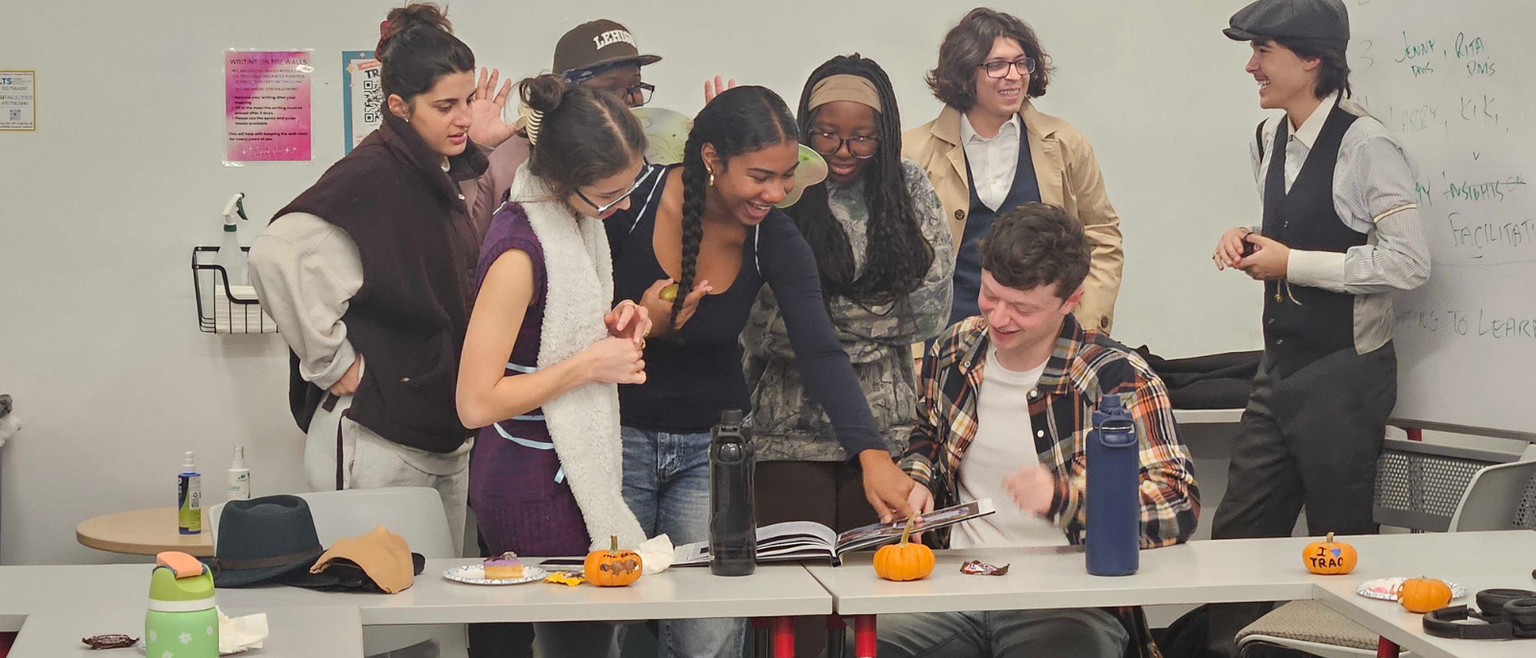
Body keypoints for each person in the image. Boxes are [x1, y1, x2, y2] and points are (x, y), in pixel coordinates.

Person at [606, 86, 916, 658]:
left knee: (710, 633)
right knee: (609, 625)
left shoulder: (772, 237)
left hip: (711, 451)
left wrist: (871, 455)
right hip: (613, 440)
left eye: (786, 176)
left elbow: (821, 351)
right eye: (760, 176)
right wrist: (645, 322)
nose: (776, 193)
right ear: (709, 159)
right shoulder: (631, 202)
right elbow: (562, 324)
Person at [877, 202, 1199, 658]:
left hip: (1067, 600)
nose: (998, 318)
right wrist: (918, 478)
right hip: (954, 587)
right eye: (990, 295)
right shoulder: (953, 350)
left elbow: (1178, 503)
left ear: (1072, 300)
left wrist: (1062, 498)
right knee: (864, 642)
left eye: (1023, 307)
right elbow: (927, 435)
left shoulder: (1116, 377)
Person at [1206, 0, 1431, 654]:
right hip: (1278, 370)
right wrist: (1248, 238)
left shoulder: (1368, 144)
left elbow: (1410, 263)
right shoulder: (1268, 137)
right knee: (1237, 543)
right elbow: (1294, 230)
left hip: (1345, 376)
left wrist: (1292, 263)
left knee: (1342, 546)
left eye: (1263, 52)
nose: (1251, 67)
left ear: (1311, 59)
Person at [249, 2, 489, 556]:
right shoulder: (375, 172)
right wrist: (333, 365)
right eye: (446, 105)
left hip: (437, 434)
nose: (464, 118)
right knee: (378, 622)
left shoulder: (433, 171)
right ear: (399, 107)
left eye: (468, 100)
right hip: (379, 440)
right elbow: (275, 254)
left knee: (436, 623)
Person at [742, 54, 953, 655]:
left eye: (861, 135)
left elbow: (932, 308)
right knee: (797, 613)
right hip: (786, 435)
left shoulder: (908, 186)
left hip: (888, 431)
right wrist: (874, 320)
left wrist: (821, 325)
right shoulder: (779, 190)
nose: (843, 148)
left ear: (883, 135)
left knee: (880, 608)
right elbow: (762, 322)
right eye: (827, 133)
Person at [456, 72, 654, 658]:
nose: (617, 210)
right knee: (578, 645)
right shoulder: (520, 248)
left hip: (558, 470)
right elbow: (475, 401)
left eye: (628, 191)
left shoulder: (571, 221)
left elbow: (544, 335)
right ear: (561, 178)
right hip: (527, 480)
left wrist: (610, 322)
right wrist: (589, 363)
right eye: (607, 196)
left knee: (590, 641)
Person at [904, 7, 1123, 334]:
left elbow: (1102, 235)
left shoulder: (1065, 143)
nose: (1014, 75)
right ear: (964, 72)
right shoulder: (913, 153)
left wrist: (1085, 325)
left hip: (1045, 341)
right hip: (945, 342)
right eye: (997, 65)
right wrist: (917, 351)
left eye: (1022, 63)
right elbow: (895, 259)